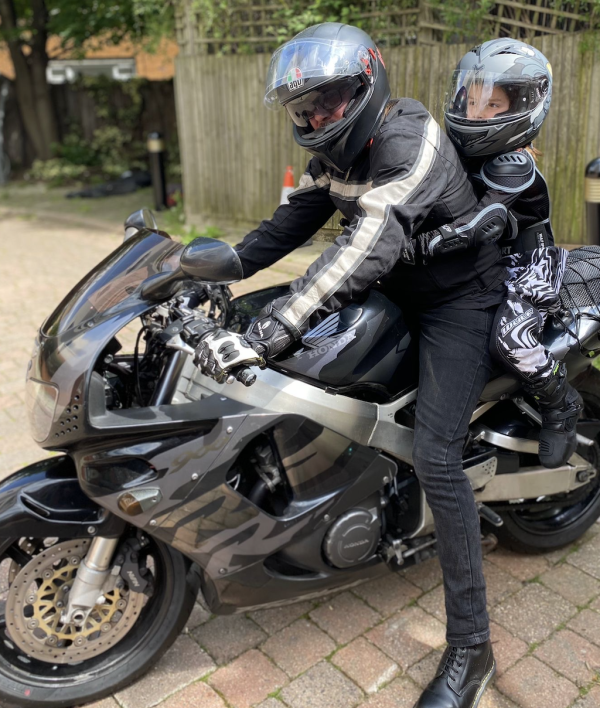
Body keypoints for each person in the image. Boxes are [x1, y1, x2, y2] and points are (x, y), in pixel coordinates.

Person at [196, 22, 501, 708]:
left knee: (438, 455)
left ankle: (472, 650)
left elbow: (366, 244)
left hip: (457, 300)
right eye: (305, 106)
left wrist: (270, 330)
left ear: (367, 86)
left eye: (331, 100)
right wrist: (216, 267)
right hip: (394, 288)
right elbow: (294, 222)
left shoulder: (407, 138)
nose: (317, 116)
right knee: (303, 374)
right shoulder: (338, 151)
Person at [411, 39, 582, 469]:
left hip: (526, 267)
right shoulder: (455, 152)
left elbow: (480, 222)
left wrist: (423, 245)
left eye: (491, 104)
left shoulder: (514, 165)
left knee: (510, 338)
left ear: (523, 107)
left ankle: (560, 400)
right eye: (471, 99)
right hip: (481, 268)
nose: (474, 111)